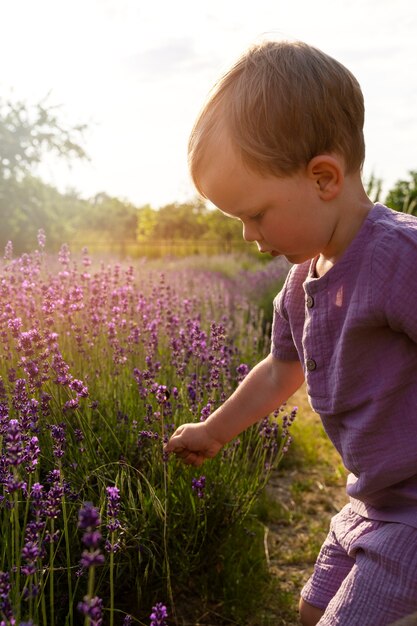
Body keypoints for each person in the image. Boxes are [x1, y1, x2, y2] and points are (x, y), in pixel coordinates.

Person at [163, 40, 417, 625]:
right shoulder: (302, 281)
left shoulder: (397, 255)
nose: (249, 236)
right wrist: (215, 429)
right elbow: (282, 368)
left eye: (255, 213)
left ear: (323, 177)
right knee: (309, 611)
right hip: (372, 500)